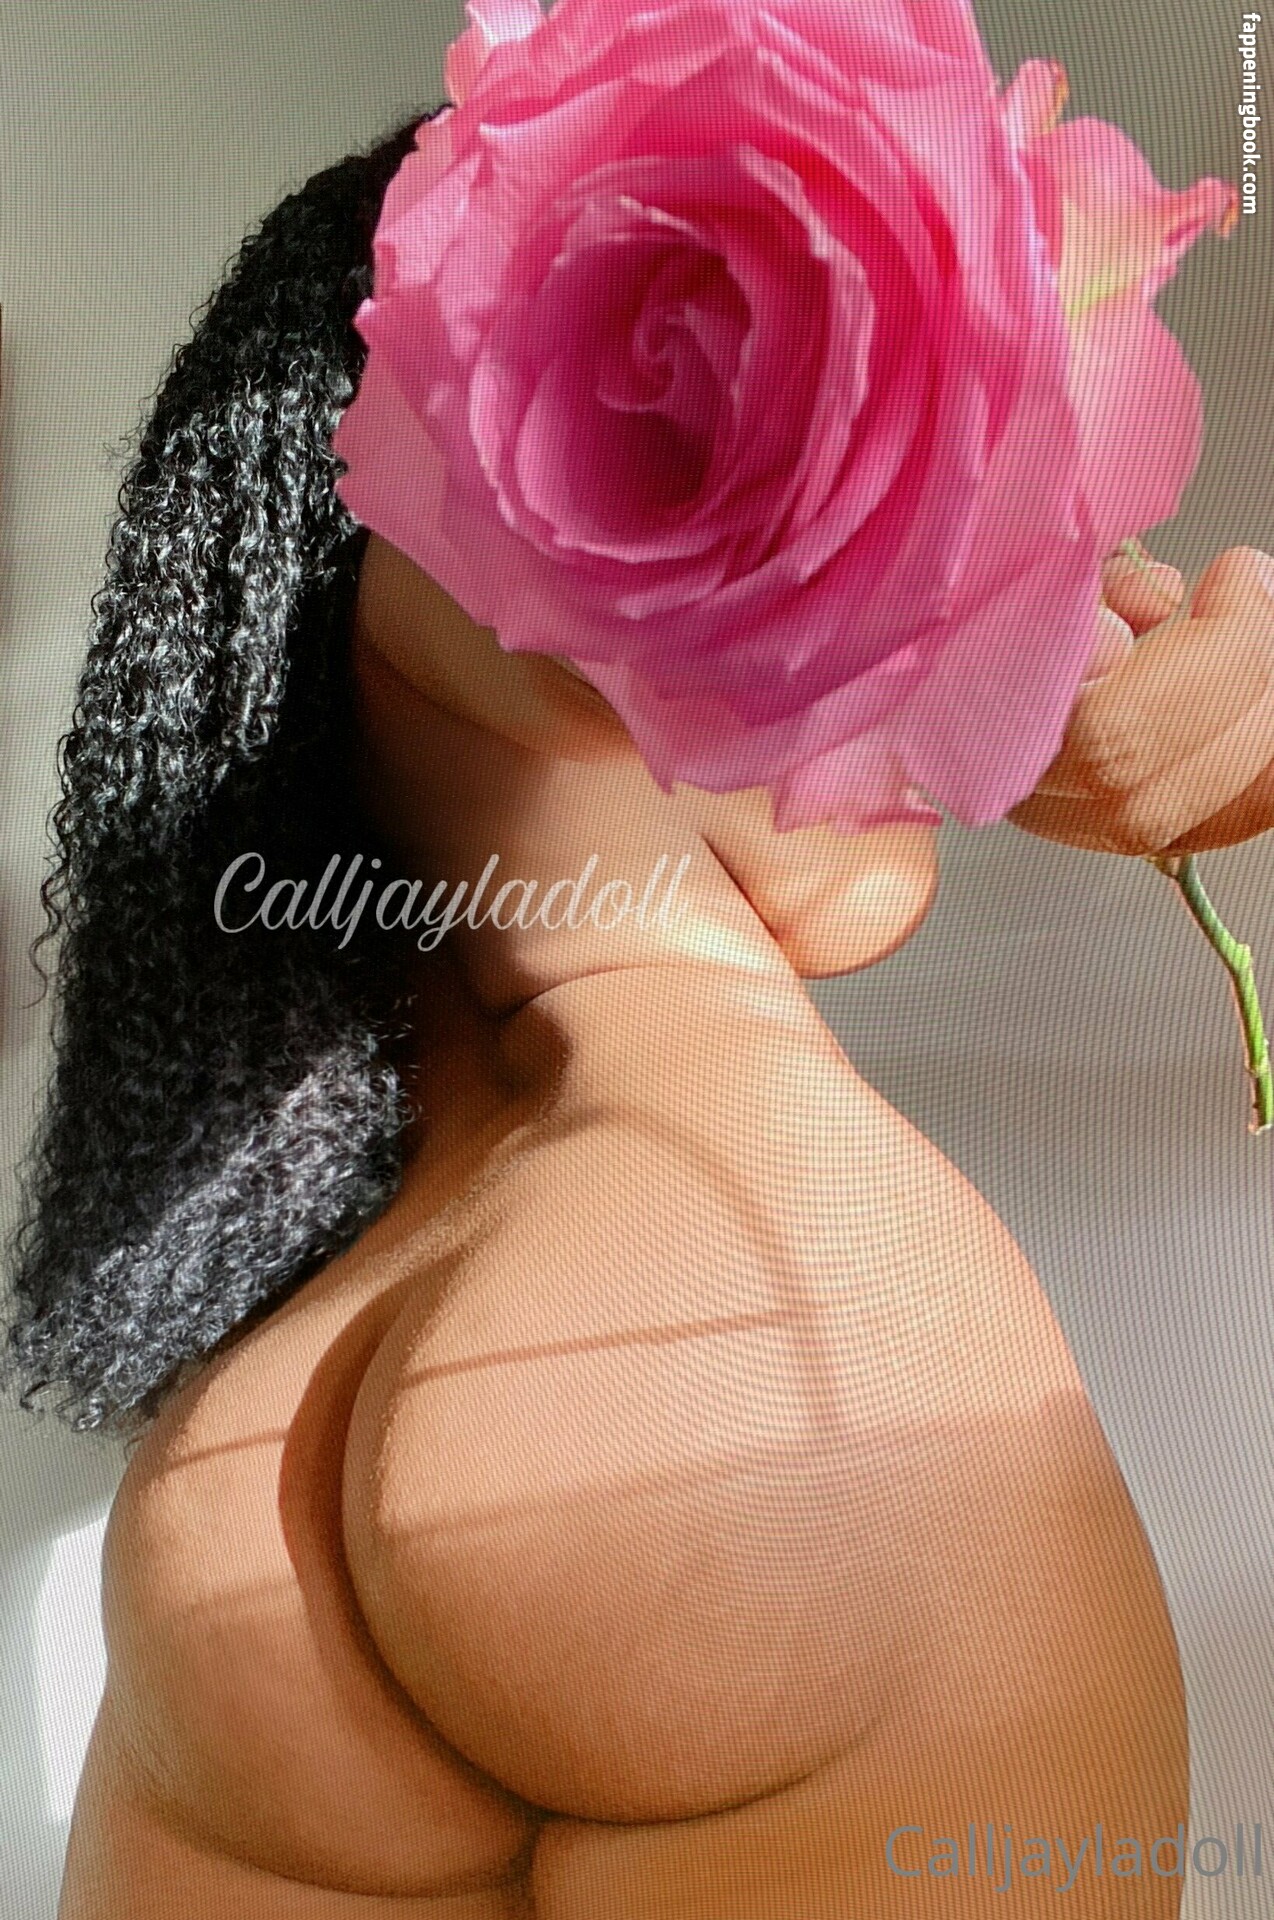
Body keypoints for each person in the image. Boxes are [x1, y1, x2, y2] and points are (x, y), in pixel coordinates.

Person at [7, 104, 1274, 1919]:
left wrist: (995, 646)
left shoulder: (293, 1363)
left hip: (264, 1482)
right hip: (735, 1339)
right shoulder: (763, 1260)